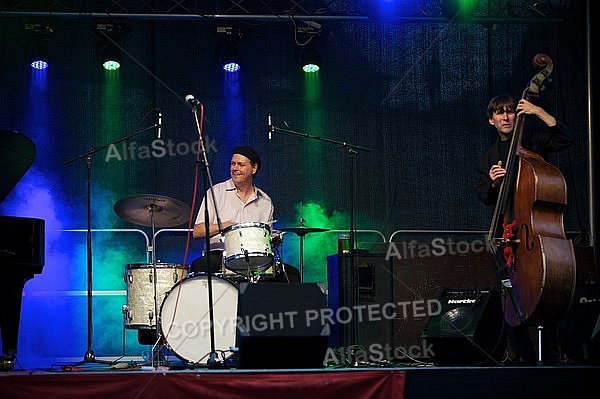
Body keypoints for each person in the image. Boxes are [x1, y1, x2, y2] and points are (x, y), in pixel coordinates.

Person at [474, 95, 573, 365]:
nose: (506, 117)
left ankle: (551, 353)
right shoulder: (487, 158)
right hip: (508, 233)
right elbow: (484, 196)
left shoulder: (534, 142)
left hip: (534, 234)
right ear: (491, 120)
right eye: (500, 113)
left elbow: (566, 139)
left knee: (544, 288)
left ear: (518, 115)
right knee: (510, 292)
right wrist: (493, 184)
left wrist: (539, 112)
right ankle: (520, 355)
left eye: (510, 112)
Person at [191, 145, 298, 282]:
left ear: (254, 168)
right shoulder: (215, 192)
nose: (235, 168)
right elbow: (197, 231)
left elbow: (265, 243)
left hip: (255, 260)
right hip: (220, 256)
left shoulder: (265, 201)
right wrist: (226, 226)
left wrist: (273, 240)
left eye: (240, 165)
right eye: (232, 164)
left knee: (292, 275)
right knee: (200, 265)